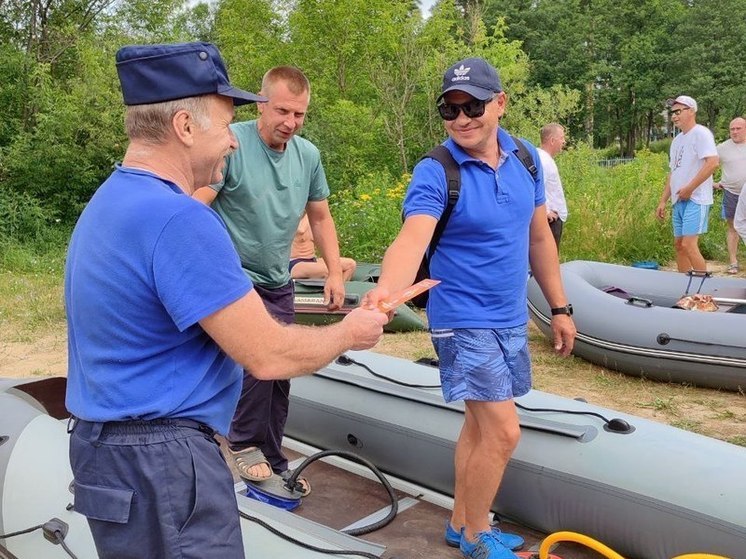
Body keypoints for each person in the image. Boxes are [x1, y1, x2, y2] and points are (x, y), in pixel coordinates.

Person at [64, 42, 387, 559]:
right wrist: (352, 330)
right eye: (223, 125)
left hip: (107, 453)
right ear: (186, 128)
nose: (232, 142)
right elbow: (267, 355)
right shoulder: (181, 220)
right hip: (161, 463)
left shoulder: (112, 199)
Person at [363, 57, 576, 559]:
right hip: (461, 318)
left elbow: (539, 236)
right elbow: (411, 239)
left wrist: (560, 307)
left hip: (508, 316)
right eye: (450, 109)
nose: (462, 118)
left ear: (499, 103)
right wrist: (385, 296)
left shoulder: (528, 159)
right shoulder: (436, 170)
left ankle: (463, 522)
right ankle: (479, 537)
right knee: (504, 431)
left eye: (473, 105)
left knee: (478, 426)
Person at [192, 66, 346, 489]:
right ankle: (241, 443)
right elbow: (195, 204)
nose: (290, 123)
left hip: (279, 277)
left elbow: (321, 216)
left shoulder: (307, 155)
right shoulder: (233, 144)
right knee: (260, 365)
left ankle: (273, 452)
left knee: (281, 375)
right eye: (282, 111)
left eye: (299, 115)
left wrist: (334, 272)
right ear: (262, 103)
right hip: (234, 278)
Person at [655, 95, 719, 272]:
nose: (674, 116)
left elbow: (713, 162)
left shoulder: (701, 133)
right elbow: (673, 173)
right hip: (678, 200)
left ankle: (702, 293)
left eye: (678, 111)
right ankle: (685, 290)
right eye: (672, 112)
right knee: (679, 245)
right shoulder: (677, 140)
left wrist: (690, 189)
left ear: (691, 111)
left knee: (689, 245)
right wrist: (662, 201)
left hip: (696, 199)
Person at [713, 117, 746, 273]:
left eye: (738, 128)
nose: (734, 132)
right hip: (731, 193)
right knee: (733, 227)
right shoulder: (722, 148)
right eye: (732, 129)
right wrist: (712, 183)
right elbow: (707, 165)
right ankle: (733, 262)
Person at [290, 213, 357, 280]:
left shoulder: (312, 221)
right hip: (295, 263)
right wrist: (309, 212)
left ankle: (339, 287)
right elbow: (300, 231)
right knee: (328, 270)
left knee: (350, 264)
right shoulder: (290, 217)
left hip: (312, 260)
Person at [537, 123, 568, 249]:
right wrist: (546, 212)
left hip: (553, 218)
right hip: (551, 220)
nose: (564, 141)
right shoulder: (543, 161)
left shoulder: (544, 158)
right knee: (549, 257)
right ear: (552, 140)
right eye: (562, 138)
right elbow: (538, 187)